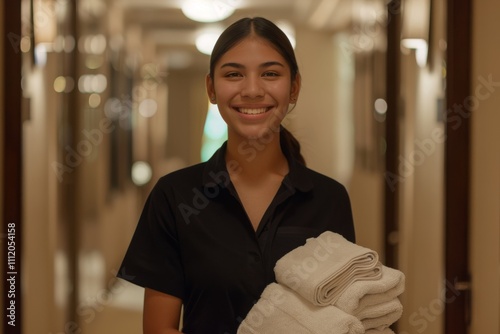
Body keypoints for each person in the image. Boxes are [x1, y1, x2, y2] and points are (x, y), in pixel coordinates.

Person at [118, 16, 355, 334]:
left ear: (294, 87)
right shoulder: (175, 196)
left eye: (270, 74)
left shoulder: (329, 199)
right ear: (211, 88)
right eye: (234, 74)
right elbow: (159, 329)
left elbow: (342, 318)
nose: (253, 90)